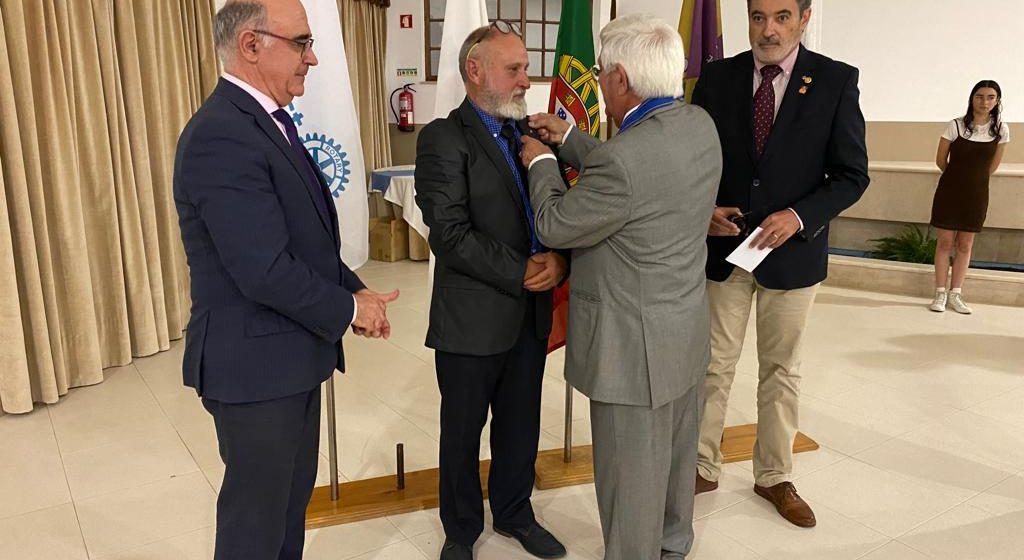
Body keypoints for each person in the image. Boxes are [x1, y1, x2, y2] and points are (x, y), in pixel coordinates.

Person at [173, 1, 397, 558]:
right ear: (251, 45)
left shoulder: (267, 122)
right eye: (301, 43)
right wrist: (350, 310)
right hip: (254, 369)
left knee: (287, 510)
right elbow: (263, 269)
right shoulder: (222, 134)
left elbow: (302, 240)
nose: (312, 58)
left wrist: (353, 287)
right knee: (256, 526)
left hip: (289, 358)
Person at [521, 14, 722, 559]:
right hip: (683, 334)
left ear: (622, 79)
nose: (600, 81)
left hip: (631, 351)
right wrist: (571, 139)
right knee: (676, 461)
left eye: (602, 72)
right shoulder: (698, 125)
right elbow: (640, 173)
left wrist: (543, 162)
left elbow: (555, 223)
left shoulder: (623, 161)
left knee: (629, 479)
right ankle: (673, 546)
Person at [691, 0, 869, 528]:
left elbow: (852, 175)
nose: (768, 30)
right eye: (758, 17)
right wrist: (702, 210)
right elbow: (694, 160)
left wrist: (798, 216)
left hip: (792, 255)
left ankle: (774, 475)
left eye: (782, 17)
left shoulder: (835, 81)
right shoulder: (717, 78)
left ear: (804, 18)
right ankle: (699, 464)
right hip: (725, 251)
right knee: (711, 364)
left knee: (781, 369)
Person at [414, 22, 568, 560]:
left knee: (521, 424)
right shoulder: (443, 138)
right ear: (475, 71)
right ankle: (460, 530)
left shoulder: (532, 136)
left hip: (531, 313)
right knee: (462, 432)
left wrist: (560, 260)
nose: (527, 80)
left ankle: (515, 513)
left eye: (526, 68)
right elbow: (449, 233)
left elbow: (561, 213)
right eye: (514, 69)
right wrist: (521, 269)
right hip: (472, 318)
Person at [928, 80, 1010, 314]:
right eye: (980, 96)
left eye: (990, 97)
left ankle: (956, 294)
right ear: (972, 99)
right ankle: (940, 293)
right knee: (945, 243)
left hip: (976, 195)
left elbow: (992, 166)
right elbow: (941, 160)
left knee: (965, 245)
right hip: (949, 192)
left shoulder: (1001, 130)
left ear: (997, 101)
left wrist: (974, 182)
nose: (985, 102)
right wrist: (957, 179)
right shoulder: (956, 125)